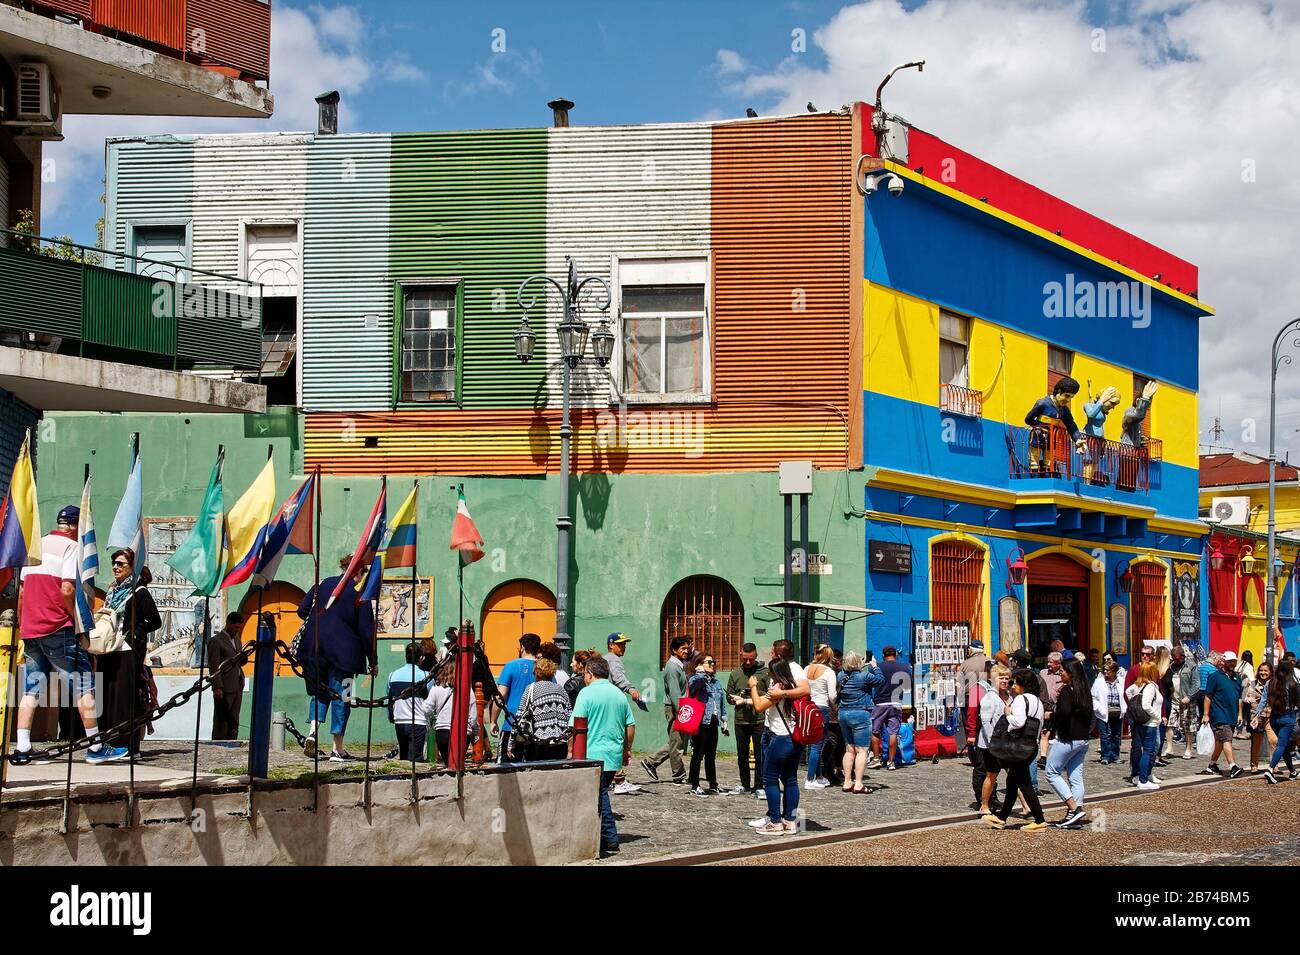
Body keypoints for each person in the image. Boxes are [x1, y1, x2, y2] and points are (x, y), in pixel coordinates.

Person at [9, 507, 130, 766]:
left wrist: (23, 624)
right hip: (58, 627)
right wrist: (75, 621)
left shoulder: (37, 546)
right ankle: (96, 747)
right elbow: (66, 589)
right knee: (83, 685)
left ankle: (22, 747)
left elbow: (21, 593)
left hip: (31, 629)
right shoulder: (70, 548)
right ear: (75, 527)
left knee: (31, 688)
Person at [296, 554, 377, 761]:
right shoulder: (361, 593)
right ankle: (337, 749)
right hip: (345, 654)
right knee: (343, 696)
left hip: (313, 649)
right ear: (358, 571)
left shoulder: (323, 584)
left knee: (319, 692)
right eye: (364, 572)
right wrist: (373, 661)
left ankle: (313, 732)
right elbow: (367, 630)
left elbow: (302, 609)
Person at [95, 549, 161, 755]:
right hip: (109, 648)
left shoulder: (139, 591)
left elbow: (155, 621)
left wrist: (136, 633)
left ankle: (128, 745)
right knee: (108, 694)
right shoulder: (113, 591)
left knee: (124, 697)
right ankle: (109, 742)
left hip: (128, 650)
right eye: (114, 563)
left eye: (121, 564)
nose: (115, 567)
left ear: (132, 568)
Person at [570, 656, 636, 855]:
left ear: (589, 673)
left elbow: (576, 724)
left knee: (599, 796)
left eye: (585, 674)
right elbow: (630, 725)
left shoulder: (586, 694)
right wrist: (627, 749)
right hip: (613, 754)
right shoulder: (618, 694)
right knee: (598, 794)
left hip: (590, 753)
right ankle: (596, 835)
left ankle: (610, 837)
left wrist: (571, 750)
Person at [747, 657, 809, 836]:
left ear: (777, 673)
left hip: (781, 738)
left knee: (769, 779)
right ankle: (790, 821)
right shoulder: (794, 688)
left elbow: (759, 706)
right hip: (796, 736)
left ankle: (775, 822)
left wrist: (752, 686)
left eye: (771, 671)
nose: (768, 674)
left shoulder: (778, 688)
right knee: (790, 779)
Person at [985, 669, 1048, 830]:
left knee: (1024, 783)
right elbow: (1039, 725)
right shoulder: (1037, 702)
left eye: (1015, 683)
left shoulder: (1020, 700)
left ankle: (1039, 820)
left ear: (1023, 684)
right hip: (1030, 746)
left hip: (1019, 747)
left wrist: (1007, 714)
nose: (1012, 686)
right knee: (1012, 782)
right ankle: (1002, 817)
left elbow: (1019, 722)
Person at [1045, 658, 1094, 827]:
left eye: (1062, 671)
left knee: (1051, 771)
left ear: (1071, 673)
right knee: (1075, 776)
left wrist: (1051, 715)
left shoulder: (1067, 690)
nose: (1060, 673)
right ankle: (1075, 815)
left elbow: (1064, 712)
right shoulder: (1084, 689)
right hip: (1083, 739)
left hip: (1069, 738)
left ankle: (1073, 808)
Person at [641, 636, 691, 784]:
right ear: (674, 650)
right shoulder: (672, 667)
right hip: (676, 708)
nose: (686, 651)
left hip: (680, 706)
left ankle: (651, 762)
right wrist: (681, 711)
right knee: (677, 743)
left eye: (687, 648)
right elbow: (675, 692)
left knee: (676, 741)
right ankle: (678, 776)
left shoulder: (679, 665)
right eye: (682, 648)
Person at [603, 632, 645, 794]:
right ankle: (619, 780)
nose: (623, 646)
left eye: (624, 644)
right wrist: (631, 688)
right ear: (611, 645)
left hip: (605, 703)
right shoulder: (614, 660)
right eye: (620, 644)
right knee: (620, 736)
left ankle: (616, 777)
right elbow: (618, 677)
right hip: (613, 703)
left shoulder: (606, 659)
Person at [489, 632, 539, 764]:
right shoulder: (544, 668)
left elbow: (500, 696)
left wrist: (493, 720)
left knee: (505, 766)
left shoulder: (511, 666)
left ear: (522, 647)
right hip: (535, 727)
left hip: (512, 723)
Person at [837, 651, 883, 794]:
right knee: (862, 750)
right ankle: (858, 784)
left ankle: (847, 782)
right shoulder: (864, 676)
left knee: (849, 749)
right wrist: (874, 666)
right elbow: (881, 681)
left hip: (843, 713)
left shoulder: (840, 676)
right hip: (860, 714)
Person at [725, 643, 768, 795]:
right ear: (741, 656)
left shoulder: (764, 672)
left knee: (759, 754)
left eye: (751, 659)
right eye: (745, 659)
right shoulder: (735, 673)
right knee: (742, 754)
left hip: (759, 720)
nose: (748, 662)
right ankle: (745, 783)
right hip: (741, 720)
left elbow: (769, 694)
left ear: (756, 656)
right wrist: (734, 698)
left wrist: (756, 692)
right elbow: (728, 695)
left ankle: (759, 785)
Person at [512, 657, 572, 761]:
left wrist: (511, 743)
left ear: (537, 673)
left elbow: (520, 716)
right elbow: (569, 716)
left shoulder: (531, 689)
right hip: (560, 745)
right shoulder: (561, 690)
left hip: (538, 745)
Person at [684, 652, 728, 795]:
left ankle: (713, 783)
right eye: (709, 662)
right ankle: (695, 784)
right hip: (701, 720)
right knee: (698, 753)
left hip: (713, 720)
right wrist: (700, 674)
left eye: (713, 662)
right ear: (699, 665)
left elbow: (721, 703)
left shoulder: (716, 683)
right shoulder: (696, 679)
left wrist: (724, 720)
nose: (712, 665)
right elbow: (693, 686)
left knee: (711, 755)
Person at [1200, 650, 1245, 779]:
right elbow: (1208, 696)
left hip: (1232, 714)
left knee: (1220, 740)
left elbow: (1239, 698)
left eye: (1234, 661)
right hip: (1219, 714)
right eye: (1230, 661)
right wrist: (1206, 714)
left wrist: (1240, 714)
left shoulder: (1237, 678)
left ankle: (1212, 765)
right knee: (1227, 739)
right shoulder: (1214, 676)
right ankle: (1233, 767)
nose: (1232, 663)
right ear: (1223, 662)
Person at [387, 642, 434, 761]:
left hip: (400, 721)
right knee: (416, 759)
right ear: (421, 658)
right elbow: (431, 698)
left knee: (403, 756)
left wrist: (392, 717)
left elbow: (389, 699)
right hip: (418, 721)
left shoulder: (392, 675)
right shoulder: (425, 676)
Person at [975, 665, 1010, 815]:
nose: (1004, 680)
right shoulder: (989, 696)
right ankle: (985, 805)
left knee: (1011, 773)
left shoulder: (1009, 696)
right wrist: (992, 742)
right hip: (992, 744)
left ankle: (1027, 806)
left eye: (1007, 678)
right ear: (992, 679)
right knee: (991, 774)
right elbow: (985, 722)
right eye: (1001, 677)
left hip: (1006, 742)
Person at [427, 663, 477, 765]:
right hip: (462, 732)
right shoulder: (467, 689)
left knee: (448, 763)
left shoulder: (436, 688)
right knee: (458, 764)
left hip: (442, 731)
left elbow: (426, 708)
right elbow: (473, 715)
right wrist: (475, 731)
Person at [208, 611, 246, 741]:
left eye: (239, 628)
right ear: (228, 623)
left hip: (237, 684)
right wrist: (217, 687)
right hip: (224, 686)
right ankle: (219, 743)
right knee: (221, 719)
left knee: (234, 718)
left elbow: (240, 661)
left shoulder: (237, 640)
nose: (237, 630)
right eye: (235, 627)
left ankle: (232, 741)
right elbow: (213, 665)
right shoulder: (216, 641)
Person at [804, 644, 838, 788]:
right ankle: (810, 778)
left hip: (807, 707)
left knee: (811, 744)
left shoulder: (806, 669)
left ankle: (819, 776)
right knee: (817, 746)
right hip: (821, 708)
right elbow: (832, 696)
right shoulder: (829, 672)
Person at [1126, 662, 1164, 790]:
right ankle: (1143, 779)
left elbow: (1128, 692)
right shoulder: (1150, 686)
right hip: (1149, 723)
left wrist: (1133, 705)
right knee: (1148, 751)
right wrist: (1157, 716)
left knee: (1141, 749)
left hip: (1139, 722)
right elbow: (1146, 704)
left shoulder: (1138, 685)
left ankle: (1141, 775)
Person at [871, 646, 910, 770]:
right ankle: (891, 762)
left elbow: (871, 680)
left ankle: (876, 758)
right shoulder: (904, 667)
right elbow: (907, 685)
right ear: (896, 655)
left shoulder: (879, 667)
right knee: (893, 733)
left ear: (883, 655)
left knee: (875, 731)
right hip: (896, 703)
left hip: (880, 703)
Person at [1262, 659, 1299, 784]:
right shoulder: (1293, 684)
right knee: (1282, 745)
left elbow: (1263, 700)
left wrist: (1256, 715)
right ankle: (1270, 769)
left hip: (1274, 718)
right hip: (1288, 717)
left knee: (1285, 745)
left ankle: (1292, 771)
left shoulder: (1270, 683)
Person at [958, 638, 989, 756]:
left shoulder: (966, 664)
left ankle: (973, 752)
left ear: (972, 649)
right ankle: (984, 750)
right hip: (987, 696)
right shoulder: (990, 661)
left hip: (969, 696)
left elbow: (958, 685)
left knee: (970, 723)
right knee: (984, 723)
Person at [1091, 660, 1125, 764]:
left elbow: (1127, 694)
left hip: (1118, 711)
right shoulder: (1099, 682)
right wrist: (1098, 708)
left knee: (1116, 734)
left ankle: (1115, 755)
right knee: (1105, 734)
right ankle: (1105, 756)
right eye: (1104, 670)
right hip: (1103, 712)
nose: (1106, 672)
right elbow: (1093, 696)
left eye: (1108, 670)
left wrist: (1126, 707)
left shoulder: (1121, 681)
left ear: (1114, 671)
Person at [1245, 661, 1276, 772]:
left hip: (1271, 715)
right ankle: (1254, 765)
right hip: (1257, 715)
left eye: (1265, 671)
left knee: (1273, 740)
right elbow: (1250, 699)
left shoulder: (1274, 683)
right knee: (1257, 741)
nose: (1263, 673)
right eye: (1261, 670)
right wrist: (1257, 714)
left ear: (1271, 672)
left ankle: (1274, 765)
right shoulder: (1253, 683)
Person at [1171, 645, 1200, 758]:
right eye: (1174, 659)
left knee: (1188, 726)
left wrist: (1189, 696)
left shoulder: (1191, 665)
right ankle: (1169, 748)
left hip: (1187, 700)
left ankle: (1188, 749)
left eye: (1178, 659)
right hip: (1174, 699)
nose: (1176, 661)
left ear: (1182, 656)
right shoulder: (1172, 666)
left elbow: (1196, 684)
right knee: (1170, 724)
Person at [1037, 651, 1065, 768]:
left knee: (1061, 733)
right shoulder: (1043, 673)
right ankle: (1043, 757)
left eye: (1052, 662)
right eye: (1048, 661)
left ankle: (1062, 759)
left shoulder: (1063, 674)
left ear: (1059, 664)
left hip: (1059, 706)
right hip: (1045, 705)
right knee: (1045, 732)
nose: (1049, 664)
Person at [1236, 650, 1256, 739]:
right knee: (1245, 712)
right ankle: (1240, 731)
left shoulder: (1238, 665)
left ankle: (1239, 730)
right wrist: (1253, 694)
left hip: (1237, 691)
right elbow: (1252, 681)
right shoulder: (1249, 667)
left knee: (1239, 711)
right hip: (1245, 693)